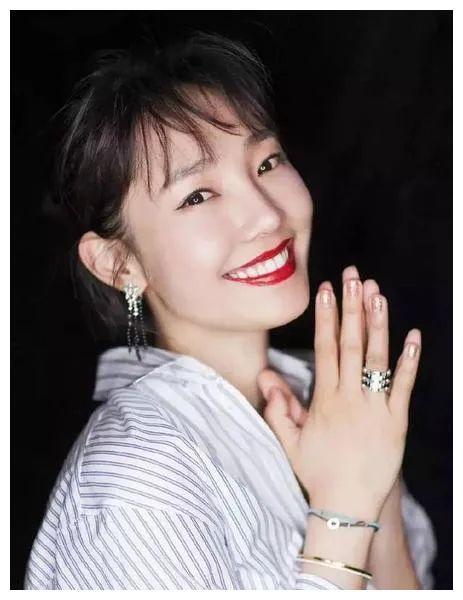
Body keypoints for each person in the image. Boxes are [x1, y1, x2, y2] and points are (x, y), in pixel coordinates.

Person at [23, 31, 436, 590]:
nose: (267, 215)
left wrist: (373, 479)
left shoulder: (327, 400)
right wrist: (344, 509)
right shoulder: (135, 475)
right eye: (198, 195)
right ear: (119, 264)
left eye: (267, 162)